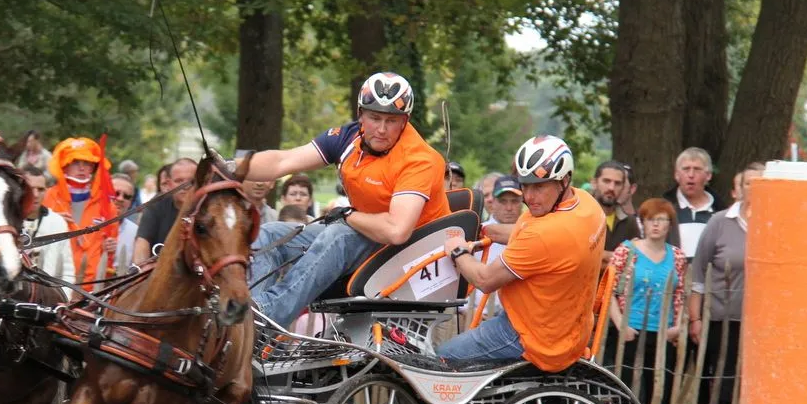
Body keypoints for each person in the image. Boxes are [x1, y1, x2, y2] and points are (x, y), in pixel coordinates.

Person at [244, 72, 449, 327]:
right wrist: (232, 167)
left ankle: (265, 315)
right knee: (270, 234)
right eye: (375, 118)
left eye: (392, 121)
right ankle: (247, 320)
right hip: (368, 235)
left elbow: (397, 231)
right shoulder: (347, 138)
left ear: (405, 121)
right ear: (361, 114)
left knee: (338, 235)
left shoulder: (419, 159)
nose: (382, 129)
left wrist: (347, 215)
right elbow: (282, 161)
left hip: (414, 251)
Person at [438, 136, 604, 371]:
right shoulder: (587, 206)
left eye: (538, 186)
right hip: (567, 331)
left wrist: (456, 249)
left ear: (564, 180)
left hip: (527, 334)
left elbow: (485, 280)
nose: (529, 197)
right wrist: (485, 230)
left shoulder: (545, 234)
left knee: (442, 357)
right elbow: (528, 234)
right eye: (524, 185)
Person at [684, 162, 761, 404]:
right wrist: (695, 319)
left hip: (761, 326)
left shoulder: (776, 222)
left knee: (756, 394)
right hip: (723, 323)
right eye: (747, 184)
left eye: (759, 185)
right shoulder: (719, 223)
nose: (752, 191)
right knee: (723, 392)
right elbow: (699, 273)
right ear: (735, 189)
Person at [606, 198, 687, 404]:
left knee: (659, 393)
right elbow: (609, 289)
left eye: (661, 220)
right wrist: (620, 323)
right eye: (651, 219)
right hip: (630, 332)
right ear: (642, 222)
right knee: (628, 392)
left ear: (669, 225)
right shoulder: (626, 252)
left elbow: (680, 292)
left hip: (662, 335)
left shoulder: (677, 257)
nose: (656, 225)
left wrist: (678, 326)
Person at [41, 137, 118, 284]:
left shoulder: (106, 205)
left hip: (91, 285)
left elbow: (110, 250)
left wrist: (112, 246)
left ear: (93, 167)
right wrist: (52, 221)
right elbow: (31, 235)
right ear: (64, 166)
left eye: (87, 163)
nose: (82, 168)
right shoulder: (47, 198)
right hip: (52, 281)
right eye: (75, 162)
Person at [467, 175, 523, 321]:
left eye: (515, 201)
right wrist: (465, 310)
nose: (509, 208)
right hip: (473, 317)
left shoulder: (535, 233)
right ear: (493, 202)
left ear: (522, 202)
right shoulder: (475, 232)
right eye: (503, 201)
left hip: (517, 321)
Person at [20, 165, 75, 289]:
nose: (35, 194)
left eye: (40, 189)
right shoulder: (6, 222)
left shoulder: (57, 223)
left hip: (47, 301)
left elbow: (67, 270)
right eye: (30, 188)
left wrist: (63, 298)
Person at [133, 157, 196, 264]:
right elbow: (143, 241)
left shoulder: (210, 206)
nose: (186, 186)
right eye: (179, 181)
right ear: (169, 184)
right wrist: (140, 271)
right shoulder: (156, 204)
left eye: (192, 181)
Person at [662, 147, 723, 257]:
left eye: (697, 169)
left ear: (708, 175)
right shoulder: (662, 210)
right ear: (676, 175)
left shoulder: (721, 212)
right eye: (686, 169)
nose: (691, 175)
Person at [593, 160, 641, 264]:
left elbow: (636, 260)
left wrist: (605, 256)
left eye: (617, 183)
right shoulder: (579, 215)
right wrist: (619, 257)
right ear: (594, 183)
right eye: (606, 181)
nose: (611, 187)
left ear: (623, 187)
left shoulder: (630, 222)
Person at [111, 173, 140, 269]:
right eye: (115, 193)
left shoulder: (136, 232)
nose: (120, 199)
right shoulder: (86, 225)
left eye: (126, 196)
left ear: (131, 202)